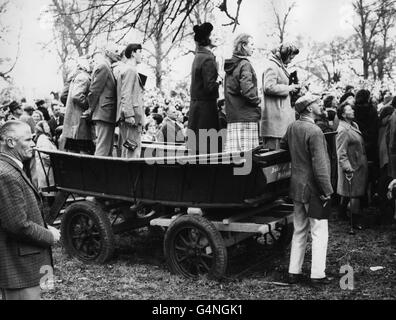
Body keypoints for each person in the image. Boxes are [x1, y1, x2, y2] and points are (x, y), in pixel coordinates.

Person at [0, 121, 60, 300]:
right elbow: (17, 225)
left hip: (29, 263)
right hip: (20, 269)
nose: (33, 143)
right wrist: (50, 236)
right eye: (28, 140)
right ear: (11, 142)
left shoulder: (12, 167)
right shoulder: (6, 174)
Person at [280, 94, 333, 286]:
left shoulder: (292, 127)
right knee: (319, 231)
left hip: (296, 187)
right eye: (316, 103)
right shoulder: (315, 131)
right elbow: (320, 166)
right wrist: (327, 190)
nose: (319, 105)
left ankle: (294, 272)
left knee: (299, 229)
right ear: (309, 108)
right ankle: (317, 275)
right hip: (313, 189)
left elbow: (282, 145)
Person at [223, 33, 261, 153]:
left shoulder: (231, 66)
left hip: (233, 116)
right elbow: (247, 90)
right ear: (244, 45)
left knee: (234, 159)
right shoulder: (245, 64)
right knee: (249, 159)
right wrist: (258, 101)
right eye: (252, 44)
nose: (254, 47)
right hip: (246, 117)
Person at [187, 22, 221, 154]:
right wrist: (219, 81)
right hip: (206, 111)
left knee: (197, 149)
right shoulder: (208, 58)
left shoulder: (198, 57)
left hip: (197, 110)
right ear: (208, 39)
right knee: (208, 150)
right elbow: (209, 87)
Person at [84, 44, 122, 157]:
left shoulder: (107, 66)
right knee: (102, 149)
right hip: (104, 113)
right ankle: (98, 173)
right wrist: (90, 109)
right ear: (107, 52)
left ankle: (104, 173)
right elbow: (94, 90)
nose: (118, 53)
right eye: (115, 51)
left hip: (106, 113)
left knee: (107, 149)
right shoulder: (103, 66)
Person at [261, 43, 300, 150]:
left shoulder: (279, 67)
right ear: (284, 54)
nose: (291, 60)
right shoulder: (272, 66)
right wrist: (289, 88)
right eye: (290, 57)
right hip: (275, 122)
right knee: (274, 158)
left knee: (282, 160)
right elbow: (268, 87)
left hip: (281, 120)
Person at [336, 103, 368, 229]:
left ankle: (342, 213)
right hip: (352, 167)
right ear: (343, 114)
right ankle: (355, 221)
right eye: (350, 110)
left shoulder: (353, 125)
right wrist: (347, 168)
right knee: (355, 194)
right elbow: (341, 152)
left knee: (350, 192)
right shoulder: (343, 130)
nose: (353, 111)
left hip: (358, 164)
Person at [114, 43, 146, 159]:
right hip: (131, 118)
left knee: (128, 150)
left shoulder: (127, 69)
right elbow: (126, 94)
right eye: (140, 52)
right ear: (133, 53)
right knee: (132, 152)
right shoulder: (130, 70)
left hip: (131, 118)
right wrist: (128, 115)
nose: (142, 55)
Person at [59, 57, 94, 154]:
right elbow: (77, 95)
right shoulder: (84, 77)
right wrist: (90, 105)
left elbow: (64, 96)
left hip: (73, 124)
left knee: (72, 151)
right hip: (80, 122)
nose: (93, 64)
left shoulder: (74, 77)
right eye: (91, 62)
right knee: (84, 152)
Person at [34, 120, 57, 206]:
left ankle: (51, 206)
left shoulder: (45, 137)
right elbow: (45, 155)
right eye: (46, 126)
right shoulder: (43, 138)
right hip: (46, 167)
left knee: (50, 189)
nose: (48, 127)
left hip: (47, 167)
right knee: (49, 189)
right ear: (42, 129)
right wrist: (53, 163)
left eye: (47, 125)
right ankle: (51, 208)